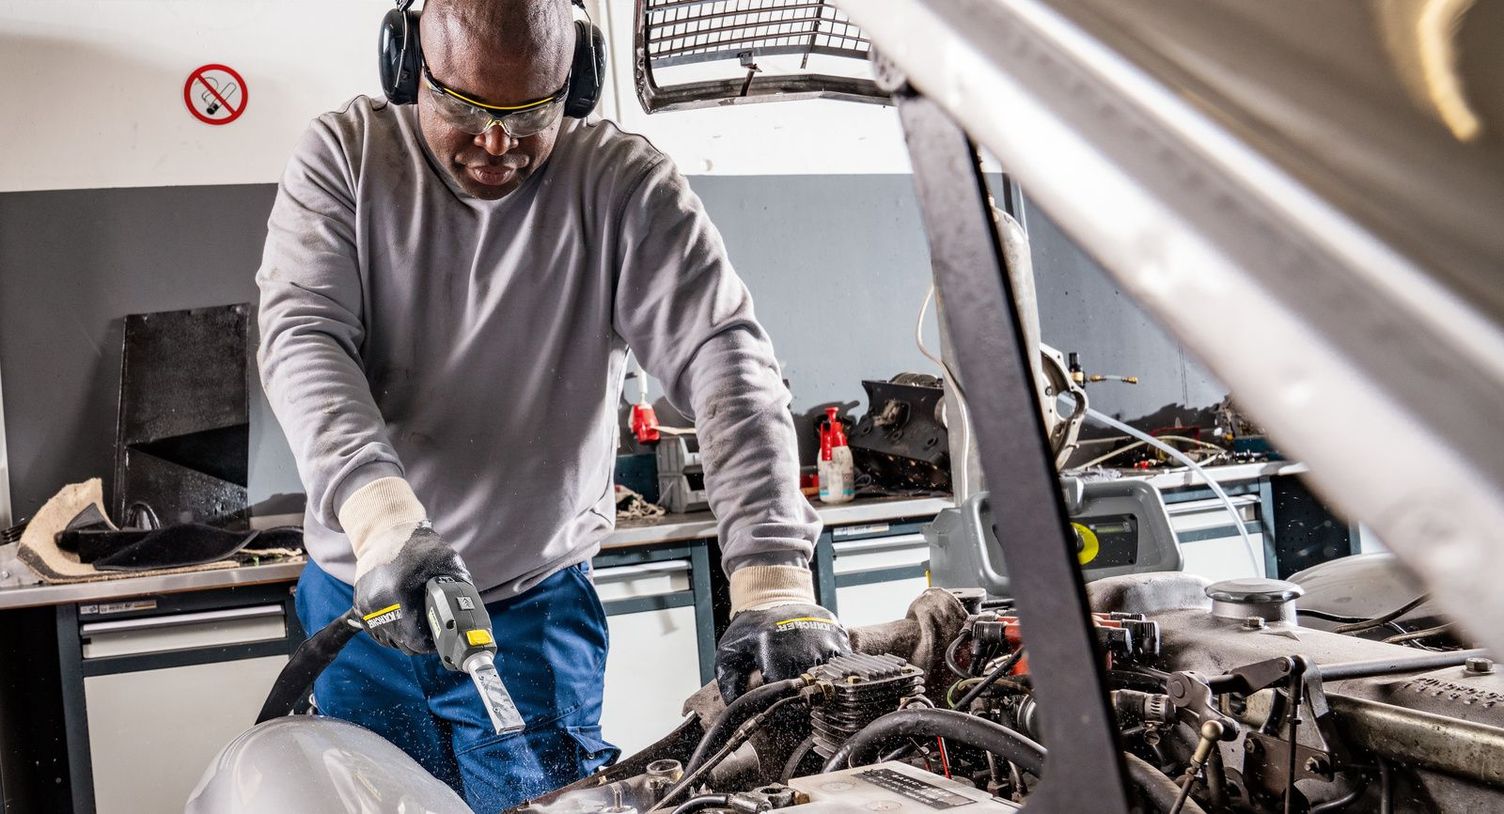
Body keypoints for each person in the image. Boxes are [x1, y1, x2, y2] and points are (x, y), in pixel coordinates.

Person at [256, 0, 849, 808]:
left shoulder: (622, 185)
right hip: (367, 595)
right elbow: (304, 337)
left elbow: (725, 356)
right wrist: (385, 523)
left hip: (528, 607)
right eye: (463, 106)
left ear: (578, 84)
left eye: (530, 112)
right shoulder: (347, 158)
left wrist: (773, 579)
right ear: (405, 65)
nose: (498, 142)